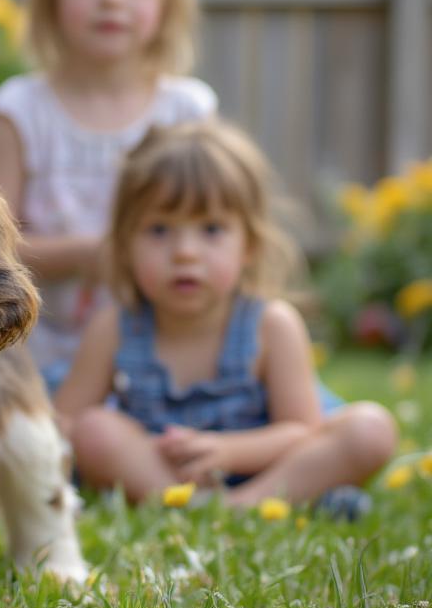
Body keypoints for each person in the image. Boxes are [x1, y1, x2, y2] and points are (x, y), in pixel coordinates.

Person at [54, 119, 397, 510]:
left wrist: (227, 451)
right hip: (161, 471)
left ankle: (242, 504)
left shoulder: (271, 325)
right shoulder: (116, 327)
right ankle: (196, 501)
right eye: (159, 230)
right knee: (94, 430)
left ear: (248, 244)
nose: (185, 252)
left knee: (370, 429)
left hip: (265, 470)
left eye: (212, 229)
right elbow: (61, 424)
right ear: (126, 244)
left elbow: (302, 431)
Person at [0, 0, 217, 393]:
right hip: (44, 361)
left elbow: (214, 229)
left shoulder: (187, 108)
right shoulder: (22, 110)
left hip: (164, 359)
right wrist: (87, 253)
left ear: (168, 1)